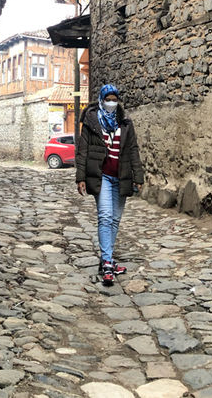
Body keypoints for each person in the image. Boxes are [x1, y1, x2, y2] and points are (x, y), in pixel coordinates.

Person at [76, 83, 144, 285]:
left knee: (114, 220)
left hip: (121, 177)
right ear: (102, 99)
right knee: (105, 217)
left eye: (115, 99)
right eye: (108, 99)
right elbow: (82, 150)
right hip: (102, 176)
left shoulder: (125, 123)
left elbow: (133, 150)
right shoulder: (91, 121)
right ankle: (107, 262)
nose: (112, 103)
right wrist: (80, 177)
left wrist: (138, 176)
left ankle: (108, 258)